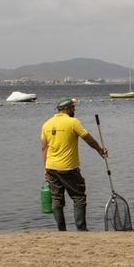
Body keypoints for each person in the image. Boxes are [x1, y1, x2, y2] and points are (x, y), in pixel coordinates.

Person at [41, 98, 107, 231]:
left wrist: (46, 169)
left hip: (51, 167)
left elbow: (44, 148)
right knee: (79, 197)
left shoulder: (46, 124)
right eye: (73, 108)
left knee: (57, 199)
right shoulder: (73, 122)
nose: (74, 110)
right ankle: (81, 230)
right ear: (67, 109)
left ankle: (62, 230)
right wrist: (100, 150)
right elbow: (88, 139)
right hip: (68, 168)